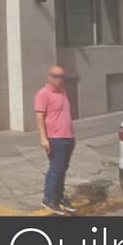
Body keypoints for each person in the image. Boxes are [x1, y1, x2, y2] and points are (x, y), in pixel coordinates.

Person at [35, 65, 77, 215]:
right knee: (56, 168)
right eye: (56, 76)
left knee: (63, 168)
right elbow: (39, 117)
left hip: (68, 136)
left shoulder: (63, 92)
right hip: (54, 138)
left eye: (62, 77)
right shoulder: (43, 94)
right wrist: (43, 138)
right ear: (49, 77)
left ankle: (59, 197)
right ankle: (48, 199)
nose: (60, 79)